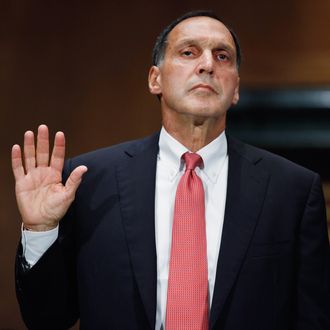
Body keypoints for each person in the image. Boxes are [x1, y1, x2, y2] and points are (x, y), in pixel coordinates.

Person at [12, 10, 330, 330]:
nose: (207, 65)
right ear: (155, 79)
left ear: (235, 89)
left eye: (222, 56)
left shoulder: (293, 190)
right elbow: (48, 318)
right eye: (188, 52)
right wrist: (40, 231)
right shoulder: (89, 181)